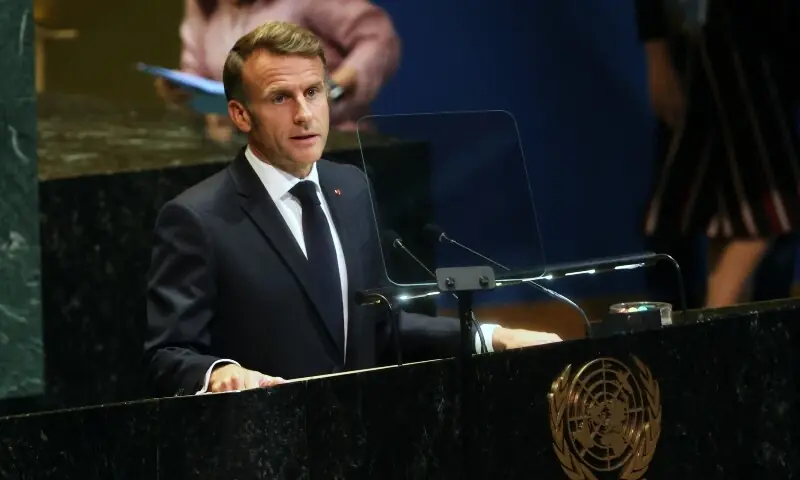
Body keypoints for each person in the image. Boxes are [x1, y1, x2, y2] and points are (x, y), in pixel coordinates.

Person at [143, 21, 562, 396]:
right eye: (280, 99)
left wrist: (490, 337)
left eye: (312, 92)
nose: (304, 114)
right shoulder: (197, 218)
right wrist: (219, 373)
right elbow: (169, 354)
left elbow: (380, 323)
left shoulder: (352, 187)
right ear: (240, 115)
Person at [635, 0, 800, 308]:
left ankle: (718, 331)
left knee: (730, 209)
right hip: (726, 43)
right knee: (771, 205)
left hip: (761, 42)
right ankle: (714, 329)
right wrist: (656, 52)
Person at [157, 0, 401, 142]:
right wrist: (183, 91)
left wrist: (330, 88)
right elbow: (198, 74)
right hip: (245, 151)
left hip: (327, 144)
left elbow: (378, 38)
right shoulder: (206, 6)